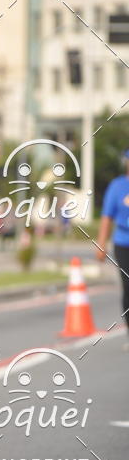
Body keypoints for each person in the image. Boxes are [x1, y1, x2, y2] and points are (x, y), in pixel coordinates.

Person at [96, 147, 129, 348]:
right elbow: (107, 217)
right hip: (123, 243)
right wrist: (101, 243)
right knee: (127, 286)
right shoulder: (117, 186)